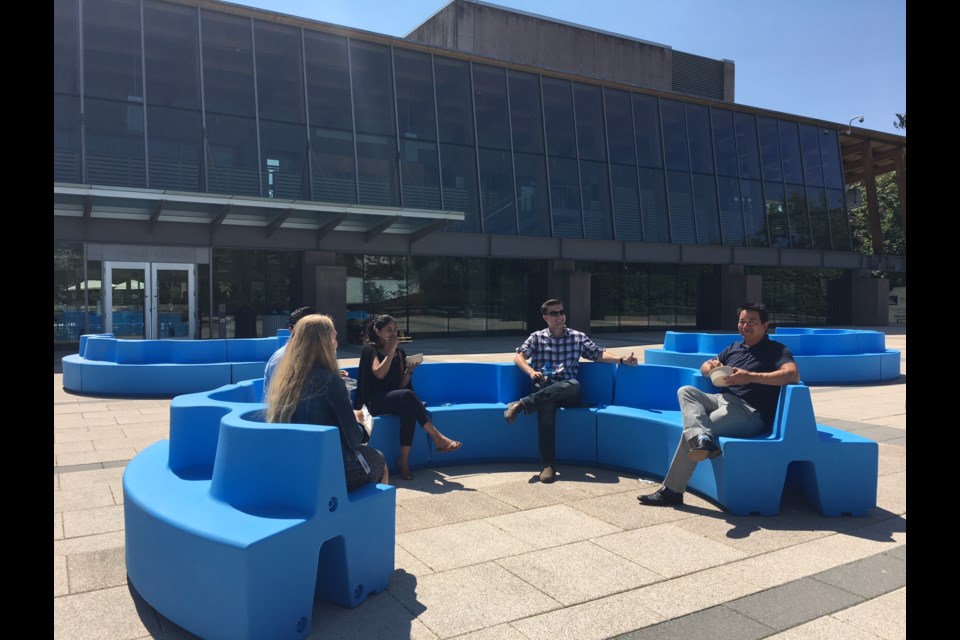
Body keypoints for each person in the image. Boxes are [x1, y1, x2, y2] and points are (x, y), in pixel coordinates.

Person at [637, 302, 800, 507]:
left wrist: (750, 377)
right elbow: (706, 365)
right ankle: (702, 438)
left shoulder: (777, 350)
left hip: (749, 412)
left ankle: (672, 490)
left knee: (692, 433)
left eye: (752, 321)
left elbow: (792, 375)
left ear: (765, 325)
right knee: (686, 391)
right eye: (742, 321)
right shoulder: (734, 348)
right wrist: (710, 367)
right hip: (722, 400)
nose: (745, 325)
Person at [504, 298, 639, 484]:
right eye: (554, 313)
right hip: (543, 387)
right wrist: (531, 371)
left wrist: (622, 360)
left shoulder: (577, 337)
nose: (559, 316)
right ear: (545, 317)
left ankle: (522, 404)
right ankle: (548, 465)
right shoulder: (536, 337)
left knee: (573, 384)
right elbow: (518, 357)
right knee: (546, 404)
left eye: (561, 312)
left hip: (569, 391)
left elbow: (597, 354)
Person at [265, 314, 388, 490]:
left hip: (292, 466)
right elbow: (353, 440)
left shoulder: (285, 379)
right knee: (378, 459)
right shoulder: (330, 381)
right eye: (334, 337)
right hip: (327, 470)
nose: (336, 342)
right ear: (325, 343)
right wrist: (361, 425)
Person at [353, 314, 462, 481]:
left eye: (395, 330)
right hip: (374, 401)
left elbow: (401, 386)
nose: (393, 333)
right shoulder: (371, 350)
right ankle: (437, 437)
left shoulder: (400, 352)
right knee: (409, 398)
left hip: (393, 398)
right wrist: (390, 351)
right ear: (377, 330)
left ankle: (404, 462)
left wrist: (409, 370)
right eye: (388, 330)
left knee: (409, 409)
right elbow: (379, 373)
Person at [263, 306, 315, 394]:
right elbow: (278, 395)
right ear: (291, 330)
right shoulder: (282, 358)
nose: (310, 332)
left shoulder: (317, 354)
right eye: (305, 328)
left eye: (314, 328)